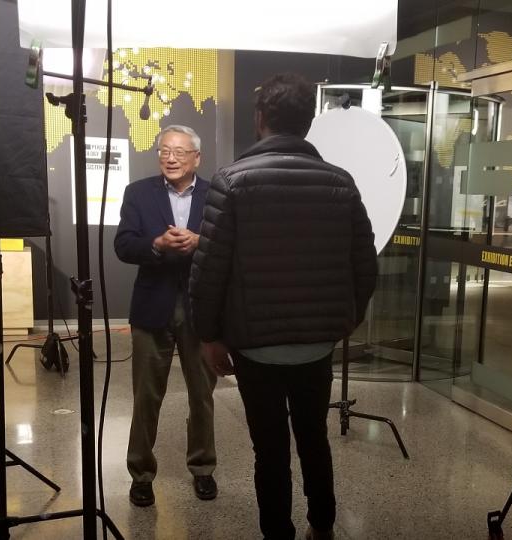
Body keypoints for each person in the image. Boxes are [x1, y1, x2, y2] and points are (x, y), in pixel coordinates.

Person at [189, 72, 377, 540]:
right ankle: (323, 527)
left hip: (256, 347)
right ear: (308, 121)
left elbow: (209, 270)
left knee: (269, 450)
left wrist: (208, 336)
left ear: (260, 119)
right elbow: (365, 265)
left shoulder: (231, 181)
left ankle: (278, 533)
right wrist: (345, 320)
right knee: (314, 439)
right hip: (316, 346)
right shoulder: (340, 183)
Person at [114, 125, 218, 508]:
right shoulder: (138, 192)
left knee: (202, 395)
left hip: (200, 307)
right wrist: (157, 244)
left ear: (197, 158)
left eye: (179, 152)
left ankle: (203, 468)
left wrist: (200, 242)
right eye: (164, 151)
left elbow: (231, 243)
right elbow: (124, 244)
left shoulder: (216, 195)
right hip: (152, 305)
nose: (170, 158)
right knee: (146, 396)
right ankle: (141, 475)